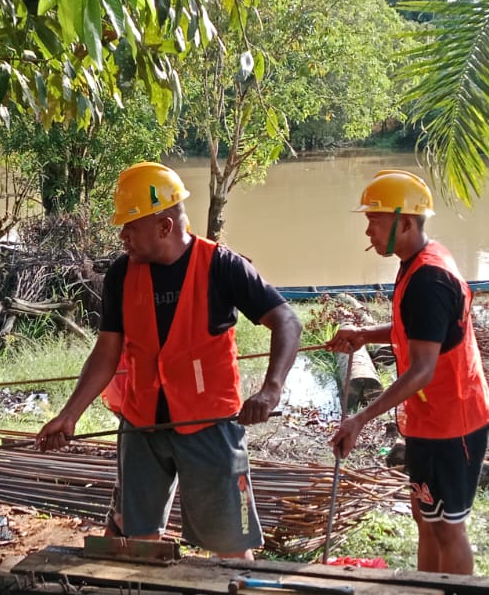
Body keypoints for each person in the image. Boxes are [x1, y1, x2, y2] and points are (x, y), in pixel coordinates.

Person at [35, 162, 301, 559]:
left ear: (164, 226)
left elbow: (286, 320)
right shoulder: (121, 275)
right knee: (138, 541)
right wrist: (70, 414)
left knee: (230, 546)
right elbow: (106, 352)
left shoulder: (222, 266)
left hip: (208, 426)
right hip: (141, 426)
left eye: (131, 226)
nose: (123, 236)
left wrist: (271, 390)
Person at [325, 170, 489, 575]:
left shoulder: (429, 280)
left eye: (374, 220)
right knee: (426, 518)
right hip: (428, 419)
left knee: (448, 529)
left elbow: (422, 368)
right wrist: (367, 334)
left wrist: (360, 419)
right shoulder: (416, 262)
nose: (367, 230)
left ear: (404, 223)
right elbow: (418, 331)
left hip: (455, 421)